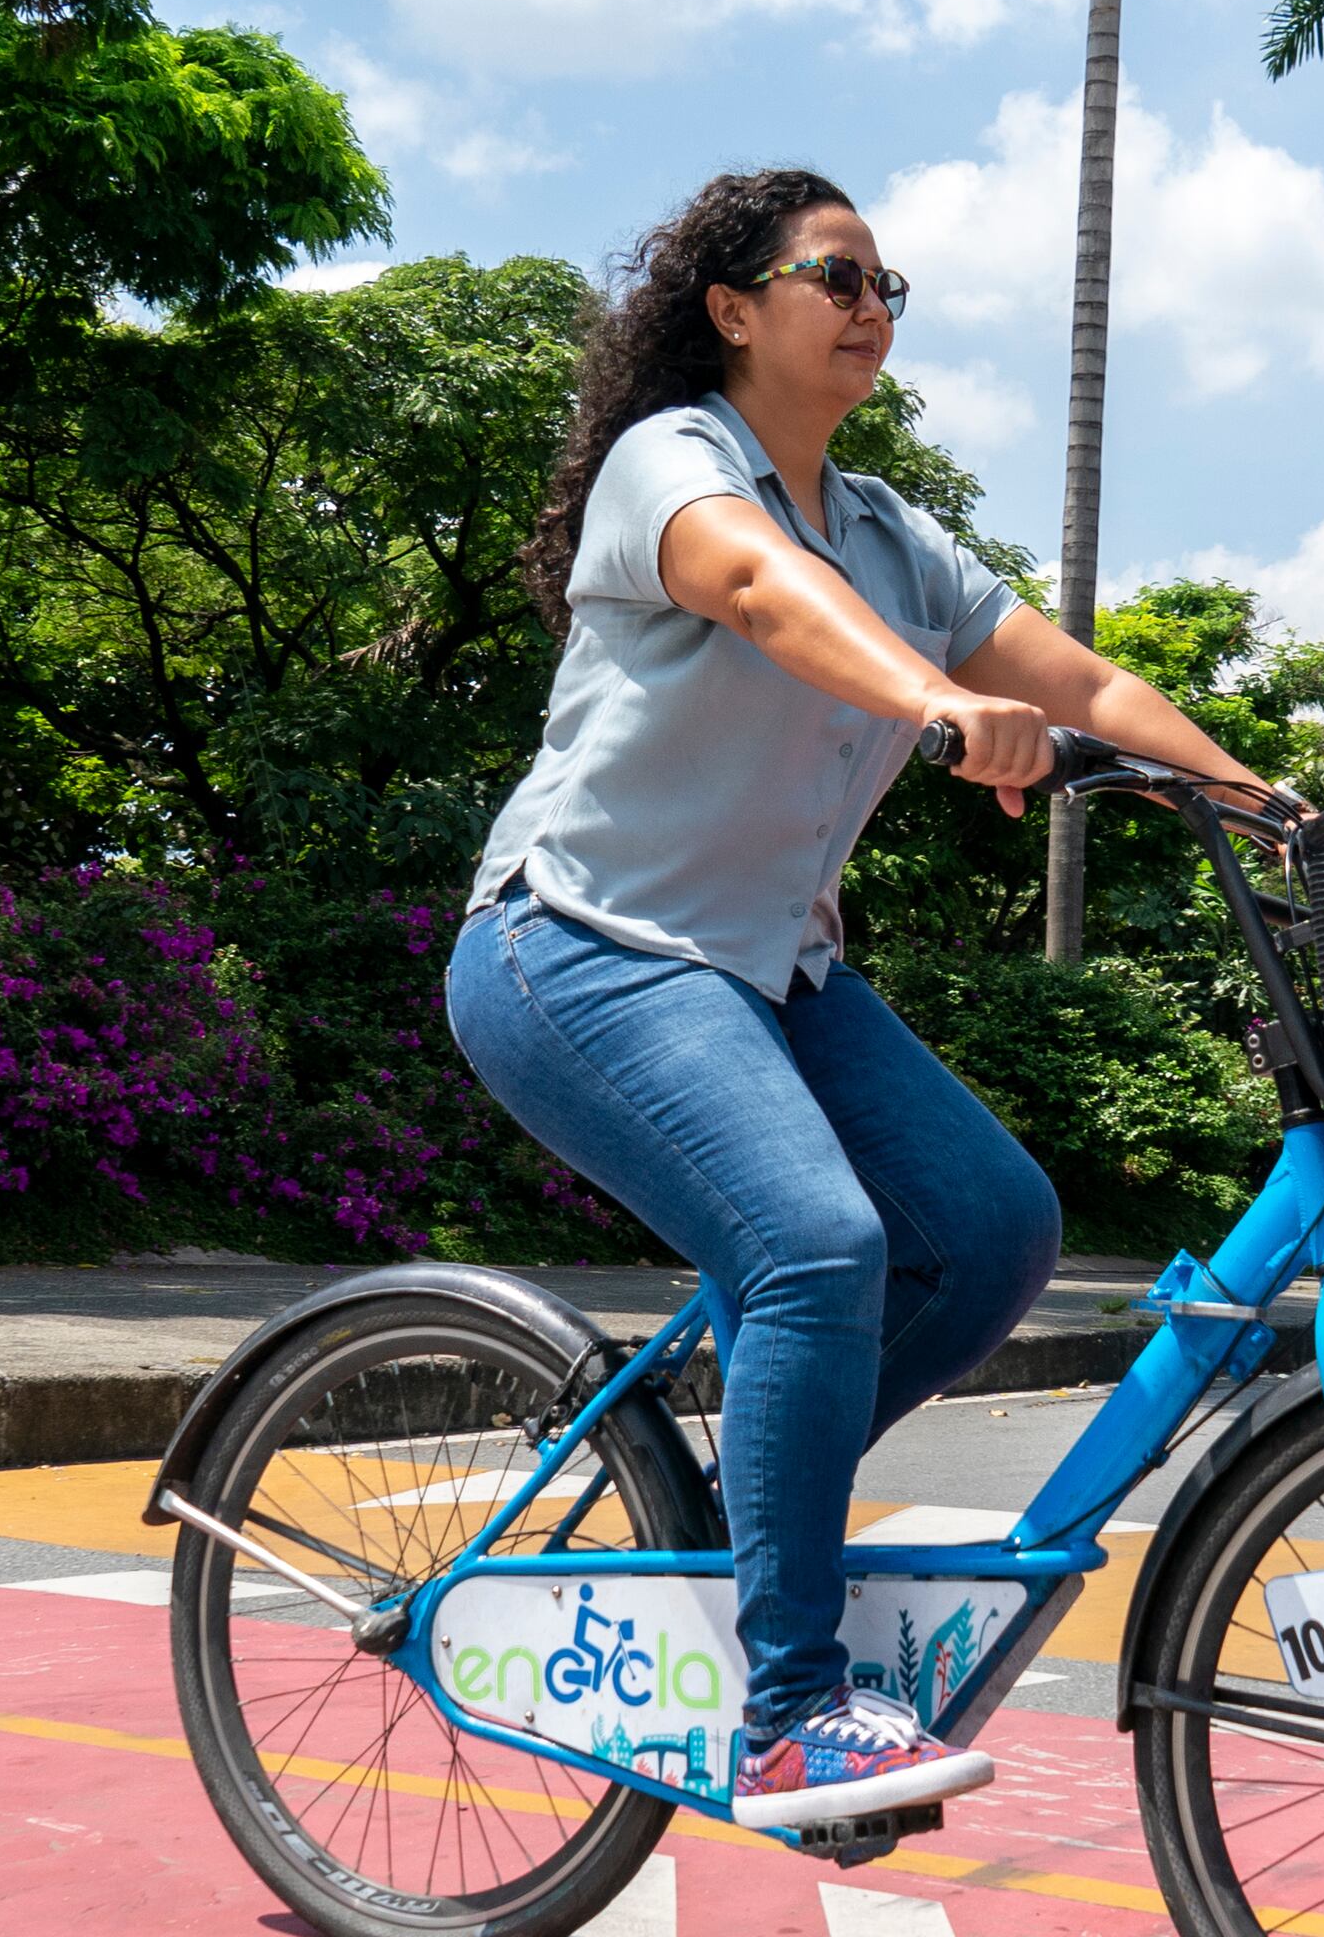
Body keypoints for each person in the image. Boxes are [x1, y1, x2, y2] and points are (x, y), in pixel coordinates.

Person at [449, 166, 1272, 1831]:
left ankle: (754, 1498)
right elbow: (762, 591)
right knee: (820, 1246)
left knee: (993, 1229)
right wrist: (937, 701)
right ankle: (790, 1715)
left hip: (769, 970)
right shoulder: (671, 460)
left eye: (889, 284)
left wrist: (1275, 810)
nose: (872, 306)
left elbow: (1085, 676)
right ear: (732, 309)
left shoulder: (892, 535)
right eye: (837, 276)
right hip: (581, 941)